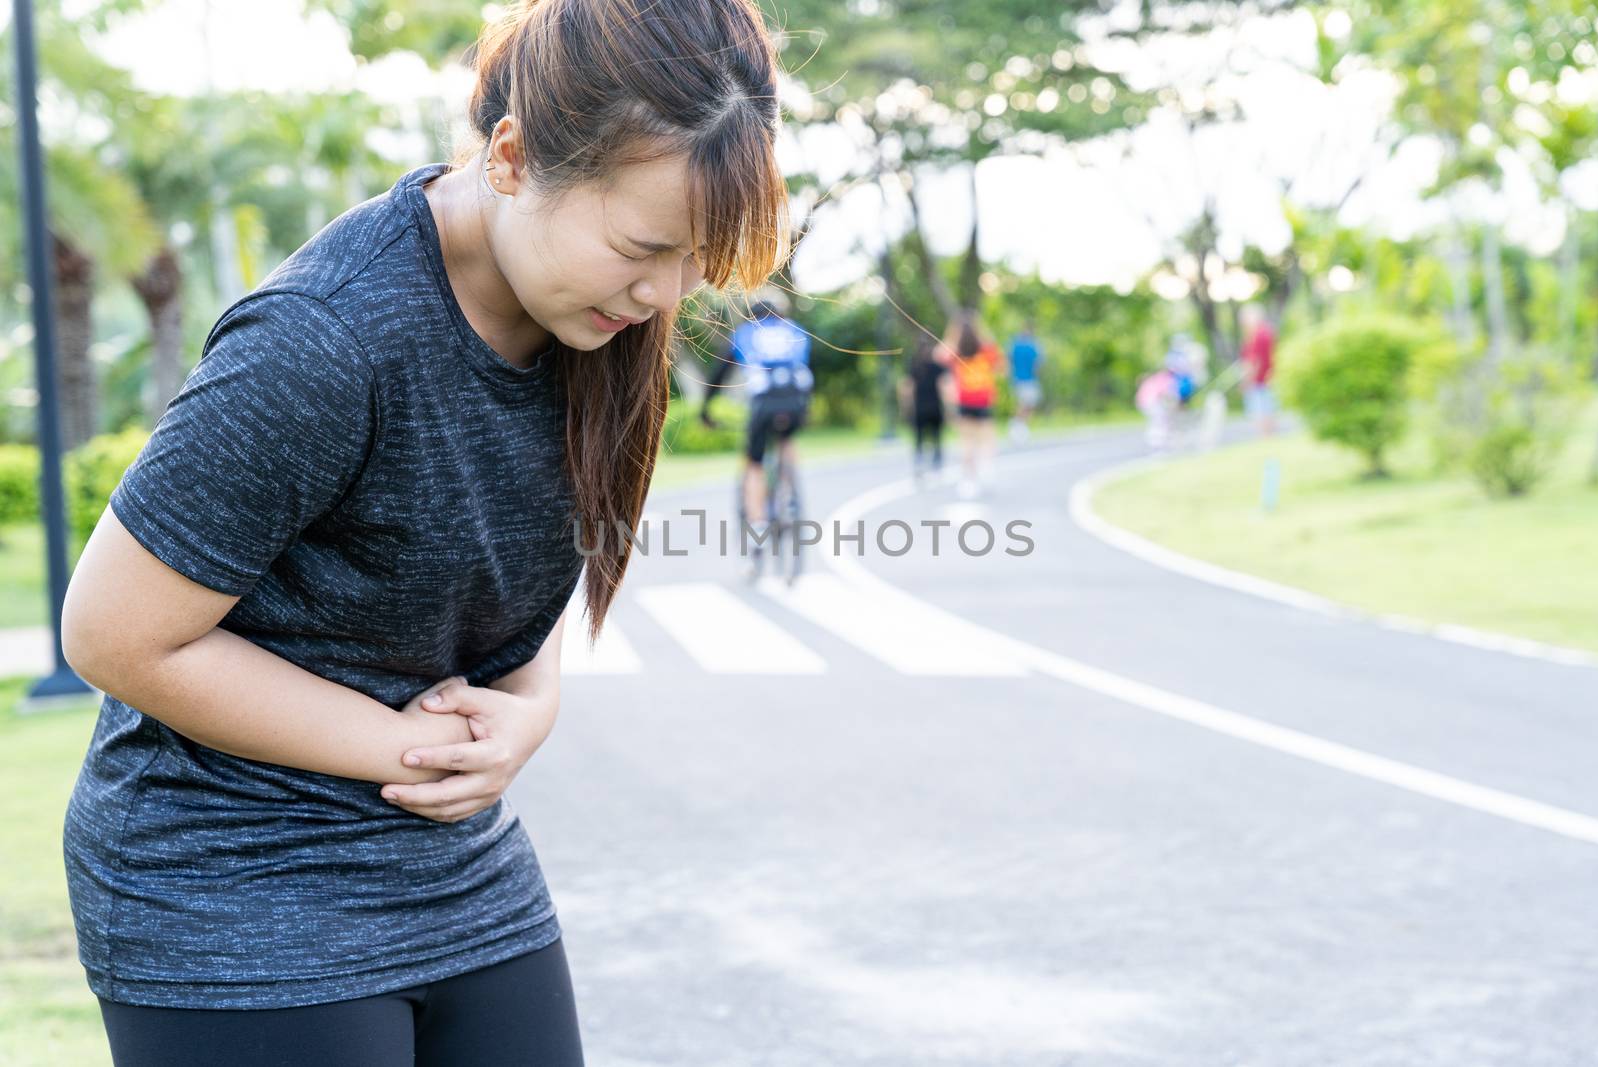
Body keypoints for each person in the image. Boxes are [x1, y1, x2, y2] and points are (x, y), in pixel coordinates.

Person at [58, 1, 789, 1063]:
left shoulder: (592, 313)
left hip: (451, 861)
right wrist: (417, 745)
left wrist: (527, 707)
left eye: (694, 257)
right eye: (643, 247)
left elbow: (498, 559)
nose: (665, 290)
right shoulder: (323, 341)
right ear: (510, 155)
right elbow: (115, 635)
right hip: (231, 880)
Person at [700, 294, 812, 532]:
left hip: (764, 401)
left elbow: (720, 373)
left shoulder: (745, 332)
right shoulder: (795, 329)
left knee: (754, 463)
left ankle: (757, 523)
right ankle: (788, 494)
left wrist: (706, 409)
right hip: (796, 400)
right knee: (786, 439)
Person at [946, 311, 1006, 499]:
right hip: (983, 399)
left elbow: (939, 355)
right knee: (987, 438)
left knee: (967, 442)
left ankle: (968, 480)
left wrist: (952, 333)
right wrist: (983, 332)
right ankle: (986, 466)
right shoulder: (986, 350)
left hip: (964, 401)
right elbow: (1002, 368)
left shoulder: (956, 352)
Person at [901, 334, 952, 486]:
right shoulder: (937, 367)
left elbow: (907, 388)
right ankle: (937, 468)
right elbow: (943, 387)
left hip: (920, 407)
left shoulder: (913, 365)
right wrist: (949, 408)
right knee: (937, 438)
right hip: (935, 407)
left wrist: (906, 406)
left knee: (919, 438)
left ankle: (919, 467)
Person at [1239, 305, 1278, 436]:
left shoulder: (1259, 335)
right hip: (1266, 378)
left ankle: (1265, 436)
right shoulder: (1265, 332)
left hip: (1260, 380)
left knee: (1261, 410)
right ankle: (1267, 435)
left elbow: (1255, 362)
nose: (1243, 323)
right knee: (1266, 409)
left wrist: (1247, 381)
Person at [1006, 320, 1043, 444]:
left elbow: (1009, 360)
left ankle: (1020, 426)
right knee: (1024, 403)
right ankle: (1017, 426)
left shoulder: (1015, 344)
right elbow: (1037, 363)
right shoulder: (1031, 345)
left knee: (1027, 403)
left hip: (1021, 379)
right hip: (1026, 379)